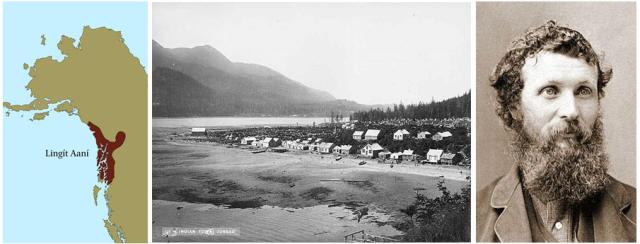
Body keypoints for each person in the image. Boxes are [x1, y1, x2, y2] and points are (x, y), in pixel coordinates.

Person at [476, 20, 636, 242]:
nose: (571, 111)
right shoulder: (475, 219)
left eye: (583, 91)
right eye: (550, 91)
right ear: (515, 107)